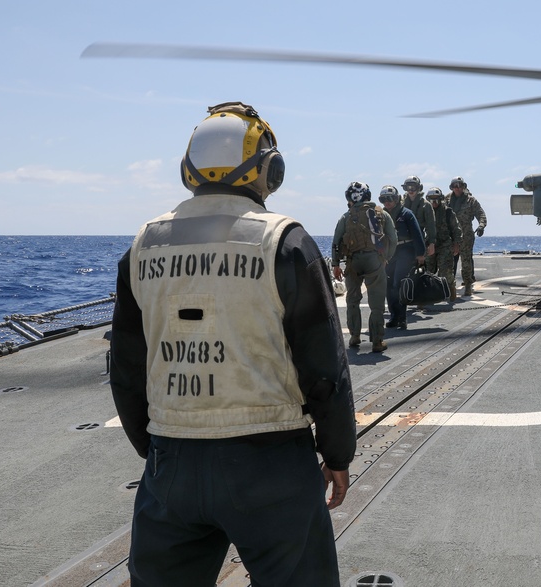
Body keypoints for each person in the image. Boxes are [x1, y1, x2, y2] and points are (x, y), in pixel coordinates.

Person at [109, 102, 356, 587]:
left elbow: (125, 366)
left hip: (171, 462)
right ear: (269, 169)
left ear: (189, 170)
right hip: (271, 461)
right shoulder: (285, 242)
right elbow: (324, 368)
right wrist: (338, 455)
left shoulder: (144, 245)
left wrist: (154, 448)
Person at [332, 181, 397, 353]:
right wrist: (386, 258)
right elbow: (393, 238)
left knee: (352, 300)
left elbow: (336, 242)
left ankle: (354, 336)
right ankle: (377, 341)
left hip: (353, 261)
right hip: (375, 261)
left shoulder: (346, 216)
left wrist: (335, 264)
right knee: (376, 303)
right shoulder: (381, 214)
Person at [378, 185, 425, 329]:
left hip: (405, 251)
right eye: (384, 199)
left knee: (399, 283)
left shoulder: (406, 214)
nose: (387, 202)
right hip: (389, 253)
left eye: (390, 198)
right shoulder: (380, 216)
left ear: (397, 199)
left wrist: (420, 254)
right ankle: (393, 315)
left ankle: (402, 317)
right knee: (388, 285)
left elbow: (417, 234)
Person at [448, 176, 487, 296]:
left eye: (459, 185)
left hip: (466, 236)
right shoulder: (446, 200)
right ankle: (450, 285)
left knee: (466, 261)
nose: (457, 188)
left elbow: (481, 214)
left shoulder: (471, 201)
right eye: (455, 186)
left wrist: (481, 225)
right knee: (449, 262)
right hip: (450, 236)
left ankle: (468, 284)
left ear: (464, 187)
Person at [425, 187, 462, 301]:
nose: (434, 203)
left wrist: (456, 244)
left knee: (445, 271)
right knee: (428, 271)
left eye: (437, 200)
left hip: (445, 244)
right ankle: (426, 295)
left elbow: (456, 229)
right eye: (431, 200)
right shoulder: (425, 212)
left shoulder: (448, 212)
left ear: (441, 199)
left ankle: (451, 287)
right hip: (430, 244)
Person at [401, 175, 436, 260]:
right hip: (402, 241)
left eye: (413, 187)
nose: (410, 190)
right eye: (408, 187)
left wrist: (431, 243)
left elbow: (430, 225)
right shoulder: (400, 204)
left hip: (418, 239)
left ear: (418, 188)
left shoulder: (426, 205)